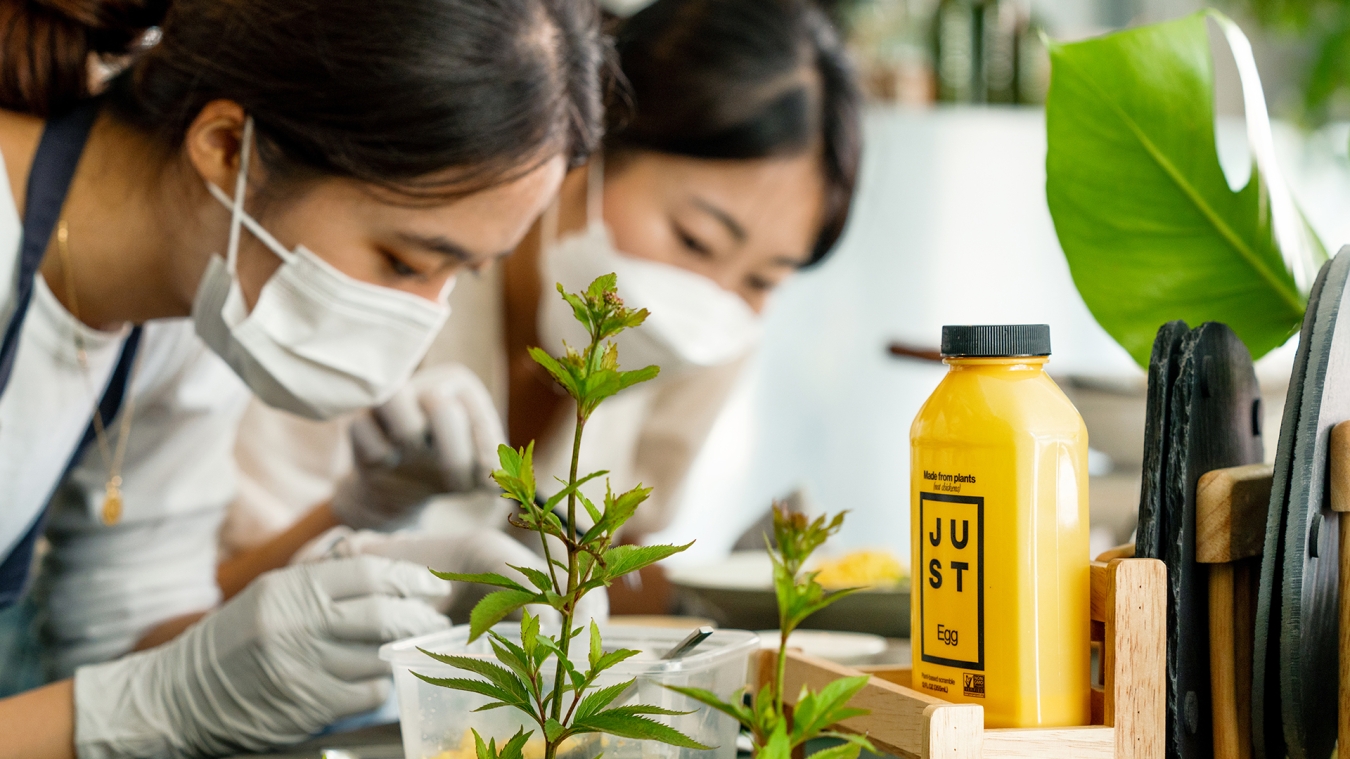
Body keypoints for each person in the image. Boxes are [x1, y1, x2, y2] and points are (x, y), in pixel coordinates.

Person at [0, 0, 608, 756]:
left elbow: (120, 643)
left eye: (460, 275)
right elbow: (131, 698)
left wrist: (370, 552)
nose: (421, 322)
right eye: (405, 262)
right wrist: (147, 704)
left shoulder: (192, 306)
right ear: (228, 149)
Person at [222, 0, 863, 600]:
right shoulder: (394, 268)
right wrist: (366, 506)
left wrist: (740, 599)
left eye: (765, 279)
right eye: (695, 240)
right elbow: (203, 593)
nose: (713, 299)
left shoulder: (709, 341)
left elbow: (620, 565)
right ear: (585, 147)